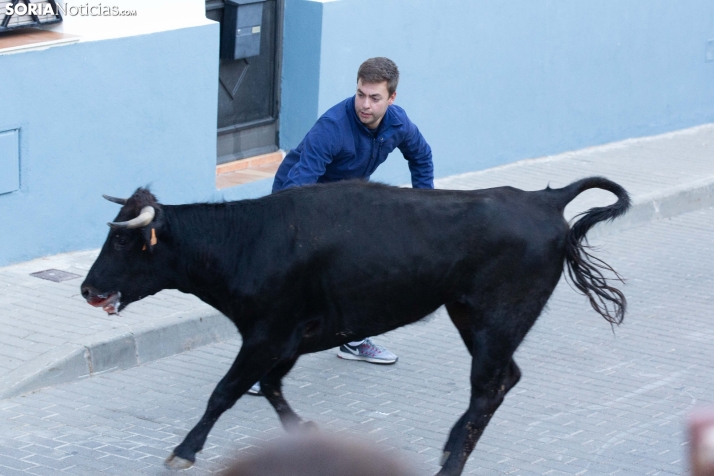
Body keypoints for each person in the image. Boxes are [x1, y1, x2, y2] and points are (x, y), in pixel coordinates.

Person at [248, 57, 433, 396]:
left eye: (374, 98)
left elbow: (421, 157)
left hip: (346, 205)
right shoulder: (332, 127)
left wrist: (426, 209)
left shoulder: (398, 123)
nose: (364, 104)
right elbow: (299, 186)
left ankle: (352, 339)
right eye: (360, 94)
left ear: (391, 99)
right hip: (299, 200)